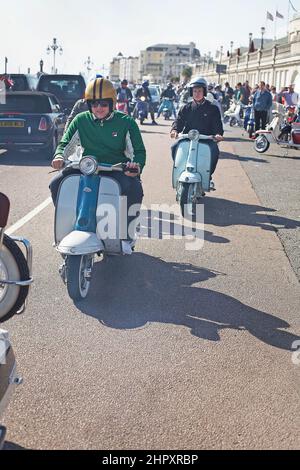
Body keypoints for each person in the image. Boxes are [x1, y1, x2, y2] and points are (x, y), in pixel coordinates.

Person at [50, 78, 146, 252]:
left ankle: (127, 234)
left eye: (103, 103)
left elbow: (138, 151)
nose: (98, 108)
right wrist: (59, 156)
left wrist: (136, 166)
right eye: (94, 104)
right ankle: (67, 225)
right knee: (56, 184)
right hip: (87, 168)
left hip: (116, 169)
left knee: (134, 190)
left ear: (112, 103)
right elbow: (66, 144)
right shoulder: (81, 120)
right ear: (88, 105)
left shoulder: (126, 122)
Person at [170, 77, 224, 181]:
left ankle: (207, 176)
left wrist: (218, 134)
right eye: (194, 91)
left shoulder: (213, 108)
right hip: (188, 138)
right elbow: (179, 121)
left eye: (199, 91)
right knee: (174, 147)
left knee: (215, 151)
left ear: (204, 91)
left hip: (207, 139)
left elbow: (217, 124)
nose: (197, 93)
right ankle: (181, 168)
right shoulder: (186, 107)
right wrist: (175, 130)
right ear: (191, 92)